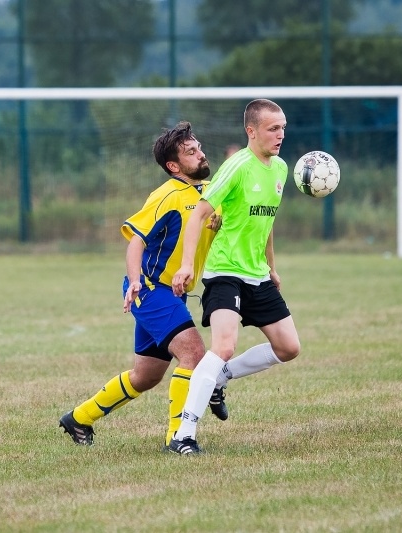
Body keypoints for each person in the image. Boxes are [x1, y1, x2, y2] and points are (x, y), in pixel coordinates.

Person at [59, 121, 227, 448]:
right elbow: (136, 241)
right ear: (173, 166)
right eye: (190, 152)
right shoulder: (166, 195)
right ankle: (179, 438)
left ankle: (79, 418)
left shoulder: (211, 193)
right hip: (150, 290)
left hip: (174, 295)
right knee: (193, 352)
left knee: (146, 376)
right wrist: (135, 281)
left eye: (199, 147)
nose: (201, 154)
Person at [167, 99, 301, 454]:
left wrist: (271, 267)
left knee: (289, 348)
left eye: (283, 128)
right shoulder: (237, 166)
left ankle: (217, 381)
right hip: (225, 272)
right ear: (251, 131)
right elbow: (199, 214)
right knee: (223, 347)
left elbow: (266, 223)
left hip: (257, 273)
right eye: (273, 129)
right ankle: (184, 434)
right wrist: (186, 265)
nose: (280, 135)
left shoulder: (281, 169)